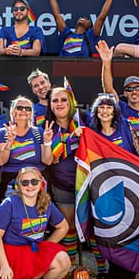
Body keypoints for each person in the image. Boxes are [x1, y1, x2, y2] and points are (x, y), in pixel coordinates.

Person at [88, 93, 139, 279]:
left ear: (115, 110)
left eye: (109, 107)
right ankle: (113, 275)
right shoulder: (91, 133)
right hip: (103, 191)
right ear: (95, 111)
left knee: (128, 235)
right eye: (101, 107)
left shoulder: (126, 126)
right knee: (109, 234)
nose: (105, 111)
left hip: (130, 189)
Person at [0, 167, 71, 279]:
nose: (30, 186)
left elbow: (63, 227)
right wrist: (4, 266)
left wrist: (46, 248)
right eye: (25, 182)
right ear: (18, 185)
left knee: (63, 261)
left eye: (34, 181)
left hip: (33, 250)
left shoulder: (46, 203)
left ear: (41, 183)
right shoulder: (9, 204)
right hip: (11, 254)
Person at [99, 40, 139, 161]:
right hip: (126, 162)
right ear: (125, 93)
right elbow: (108, 89)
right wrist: (106, 63)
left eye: (138, 88)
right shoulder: (120, 109)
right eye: (130, 89)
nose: (134, 92)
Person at [45, 86, 86, 261]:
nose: (60, 103)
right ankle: (70, 265)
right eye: (55, 100)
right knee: (68, 225)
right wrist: (70, 139)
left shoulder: (84, 120)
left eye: (63, 99)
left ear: (71, 102)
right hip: (62, 184)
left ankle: (100, 270)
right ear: (50, 105)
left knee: (87, 226)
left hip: (87, 183)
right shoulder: (46, 126)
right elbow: (49, 159)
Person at [0, 96, 53, 204]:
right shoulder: (3, 132)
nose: (24, 110)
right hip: (11, 184)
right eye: (19, 107)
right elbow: (1, 161)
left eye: (28, 108)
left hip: (36, 182)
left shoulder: (38, 132)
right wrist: (9, 142)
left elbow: (47, 161)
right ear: (12, 111)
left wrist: (48, 142)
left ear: (31, 113)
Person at [50, 0, 120, 57]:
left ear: (89, 27)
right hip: (63, 67)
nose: (83, 18)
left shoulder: (90, 36)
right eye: (82, 17)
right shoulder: (66, 34)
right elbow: (56, 14)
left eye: (87, 19)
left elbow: (102, 17)